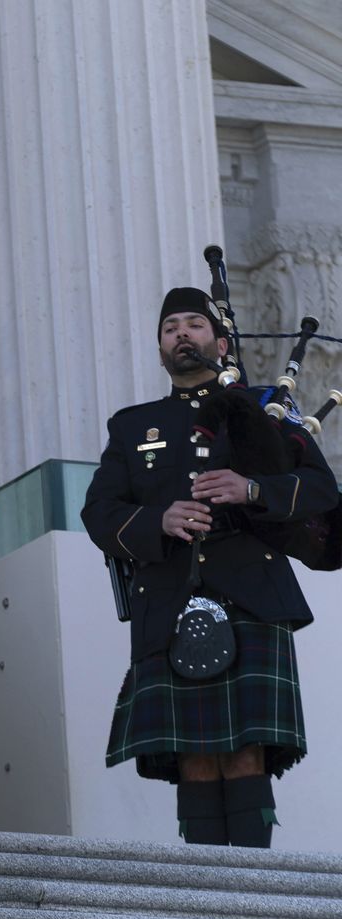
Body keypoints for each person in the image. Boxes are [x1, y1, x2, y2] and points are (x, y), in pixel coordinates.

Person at [81, 287, 337, 848]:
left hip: (251, 592)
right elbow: (99, 512)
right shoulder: (132, 426)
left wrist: (252, 488)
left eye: (194, 324)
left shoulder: (265, 410)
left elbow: (321, 488)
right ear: (161, 350)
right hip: (170, 595)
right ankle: (205, 899)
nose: (181, 334)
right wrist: (160, 519)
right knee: (194, 754)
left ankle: (253, 889)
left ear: (220, 342)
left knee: (246, 750)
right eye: (170, 327)